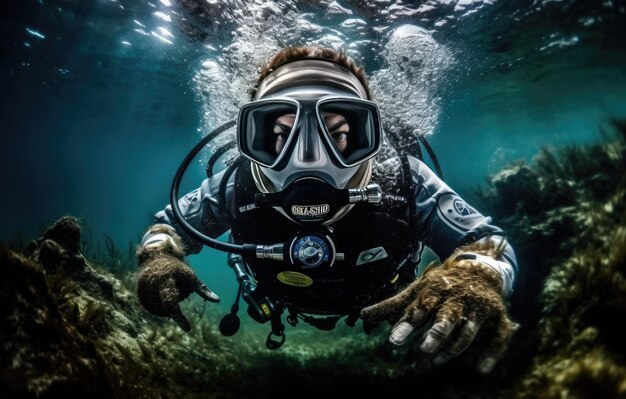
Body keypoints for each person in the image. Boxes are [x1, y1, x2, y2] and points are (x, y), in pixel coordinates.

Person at [136, 46, 518, 374]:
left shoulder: (402, 180)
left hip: (382, 299)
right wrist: (158, 258)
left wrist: (476, 277)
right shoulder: (236, 184)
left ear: (372, 135)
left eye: (338, 134)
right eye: (280, 135)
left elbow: (485, 242)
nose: (308, 159)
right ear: (250, 137)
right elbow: (168, 228)